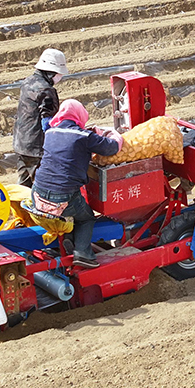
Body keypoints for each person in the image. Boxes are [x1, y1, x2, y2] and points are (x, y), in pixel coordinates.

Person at [31, 99, 122, 269]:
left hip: (37, 192)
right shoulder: (84, 136)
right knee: (86, 217)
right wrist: (114, 135)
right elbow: (111, 148)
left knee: (71, 210)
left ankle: (67, 239)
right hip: (61, 198)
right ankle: (83, 253)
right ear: (79, 116)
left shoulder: (51, 132)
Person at [13, 48, 68, 187]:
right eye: (59, 73)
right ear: (51, 72)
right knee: (40, 187)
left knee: (23, 184)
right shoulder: (46, 90)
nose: (59, 77)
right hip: (36, 147)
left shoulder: (28, 82)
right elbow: (48, 122)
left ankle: (17, 207)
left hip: (21, 141)